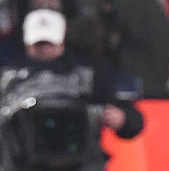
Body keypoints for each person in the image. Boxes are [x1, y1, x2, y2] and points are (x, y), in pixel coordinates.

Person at [0, 9, 143, 171]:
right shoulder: (6, 78)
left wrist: (121, 118)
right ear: (27, 43)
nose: (44, 49)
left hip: (80, 164)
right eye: (39, 44)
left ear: (62, 41)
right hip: (20, 164)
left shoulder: (90, 73)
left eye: (49, 43)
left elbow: (133, 119)